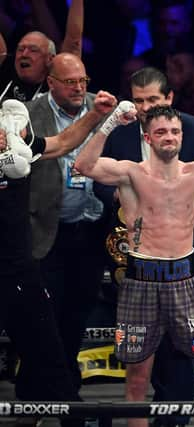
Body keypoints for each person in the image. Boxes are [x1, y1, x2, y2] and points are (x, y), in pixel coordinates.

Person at [74, 104, 194, 427]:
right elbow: (83, 164)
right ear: (148, 138)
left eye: (175, 131)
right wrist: (110, 123)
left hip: (186, 281)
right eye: (162, 132)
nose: (170, 137)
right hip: (141, 282)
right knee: (137, 380)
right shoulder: (130, 173)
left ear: (182, 135)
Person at [93, 66, 194, 427]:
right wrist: (131, 200)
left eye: (153, 99)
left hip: (190, 253)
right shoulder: (121, 134)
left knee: (186, 355)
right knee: (141, 367)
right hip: (139, 260)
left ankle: (175, 421)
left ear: (169, 98)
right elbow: (97, 179)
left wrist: (173, 198)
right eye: (139, 100)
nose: (145, 106)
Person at [0, 90, 117, 427]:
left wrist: (95, 114)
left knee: (50, 355)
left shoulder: (22, 147)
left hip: (22, 273)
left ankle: (74, 420)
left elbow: (64, 142)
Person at [26, 52, 105, 397]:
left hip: (91, 231)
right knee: (44, 317)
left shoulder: (104, 108)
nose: (78, 88)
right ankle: (42, 393)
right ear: (51, 83)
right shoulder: (29, 114)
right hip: (45, 232)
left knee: (78, 311)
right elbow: (56, 148)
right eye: (70, 81)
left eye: (82, 81)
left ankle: (64, 390)